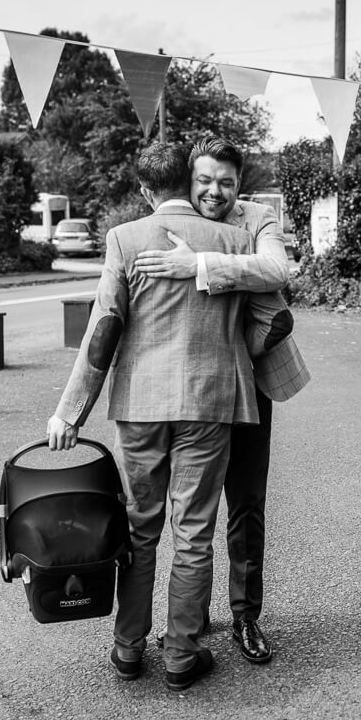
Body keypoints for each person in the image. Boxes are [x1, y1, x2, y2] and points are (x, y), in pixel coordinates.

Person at [46, 142, 274, 691]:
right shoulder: (236, 241)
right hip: (210, 402)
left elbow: (103, 332)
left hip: (140, 406)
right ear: (191, 183)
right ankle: (180, 655)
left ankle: (128, 649)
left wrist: (69, 412)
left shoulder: (124, 240)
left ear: (147, 191)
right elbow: (271, 320)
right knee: (194, 533)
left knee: (140, 530)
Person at [134, 136, 310, 664]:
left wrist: (201, 266)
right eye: (205, 180)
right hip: (196, 388)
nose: (215, 191)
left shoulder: (257, 219)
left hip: (252, 379)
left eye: (226, 182)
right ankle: (190, 617)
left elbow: (279, 270)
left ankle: (246, 616)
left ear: (240, 185)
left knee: (246, 503)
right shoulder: (170, 218)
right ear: (189, 179)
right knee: (191, 510)